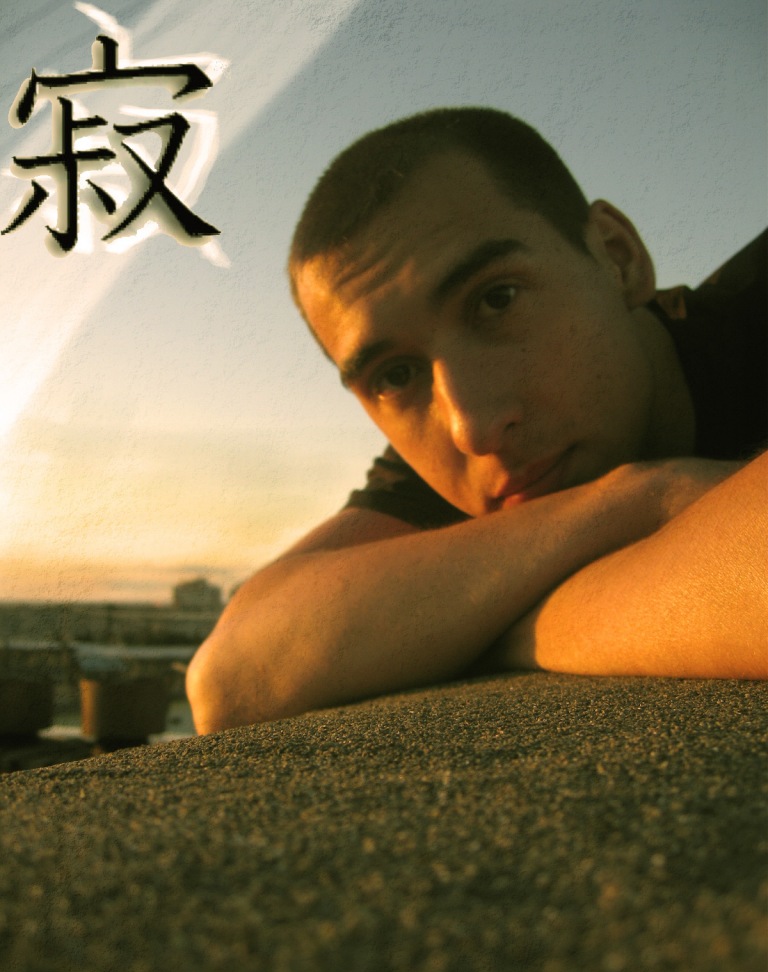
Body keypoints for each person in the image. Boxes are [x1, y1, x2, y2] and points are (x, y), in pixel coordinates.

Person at [187, 107, 767, 733]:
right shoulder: (484, 451)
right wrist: (642, 499)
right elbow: (230, 676)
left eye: (497, 300)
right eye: (395, 376)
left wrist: (480, 625)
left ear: (617, 258)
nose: (473, 428)